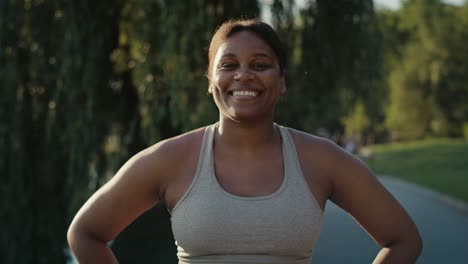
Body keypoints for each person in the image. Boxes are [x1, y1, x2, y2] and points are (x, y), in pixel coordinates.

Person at [67, 18, 422, 264]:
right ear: (211, 81)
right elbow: (86, 233)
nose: (243, 75)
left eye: (260, 64)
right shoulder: (169, 159)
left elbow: (404, 239)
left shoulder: (322, 160)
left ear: (281, 81)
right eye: (229, 65)